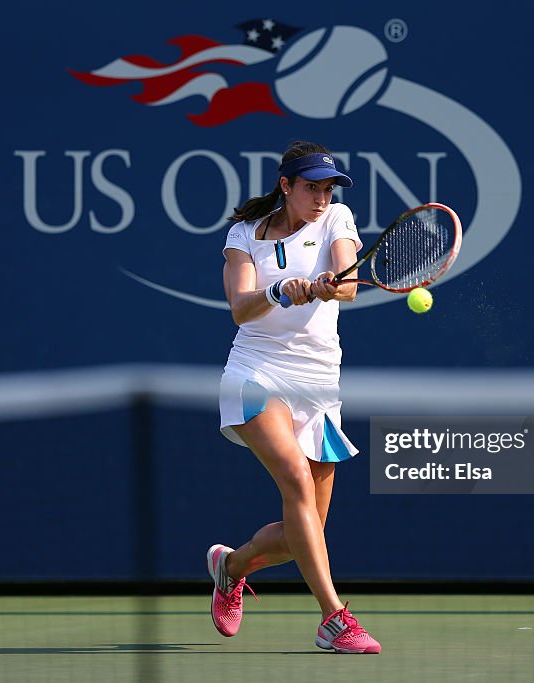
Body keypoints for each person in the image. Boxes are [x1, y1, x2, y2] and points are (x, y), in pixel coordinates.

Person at [208, 140, 381, 654]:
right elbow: (240, 308)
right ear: (285, 186)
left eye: (328, 188)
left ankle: (230, 566)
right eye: (312, 188)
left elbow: (348, 285)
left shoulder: (336, 220)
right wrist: (281, 290)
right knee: (295, 481)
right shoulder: (243, 236)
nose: (322, 198)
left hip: (319, 383)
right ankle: (335, 619)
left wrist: (328, 284)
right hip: (254, 372)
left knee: (301, 533)